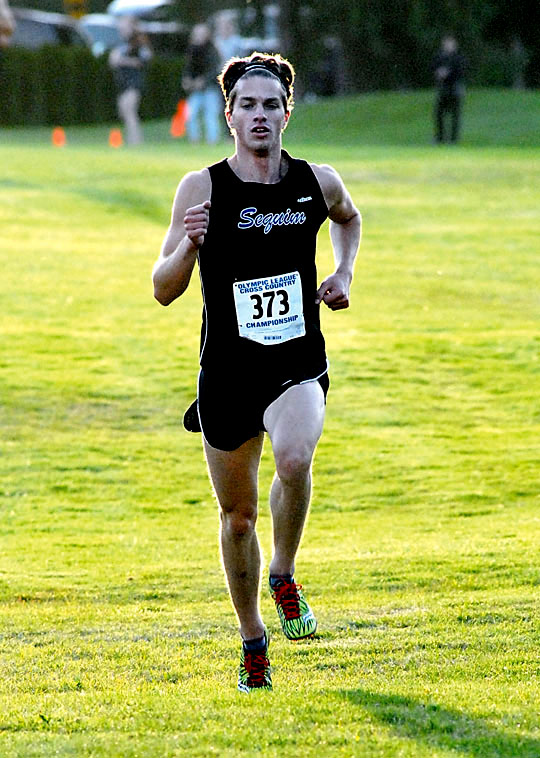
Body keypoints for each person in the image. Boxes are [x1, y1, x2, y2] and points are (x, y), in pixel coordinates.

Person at [152, 52, 361, 692]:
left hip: (296, 360)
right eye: (249, 104)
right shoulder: (202, 187)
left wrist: (342, 272)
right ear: (230, 115)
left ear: (287, 113)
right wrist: (190, 241)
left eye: (272, 104)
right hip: (228, 373)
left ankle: (285, 570)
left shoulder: (315, 182)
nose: (261, 115)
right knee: (237, 516)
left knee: (296, 457)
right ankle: (252, 641)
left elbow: (349, 219)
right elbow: (163, 289)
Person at [109, 16, 153, 146]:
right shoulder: (120, 43)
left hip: (134, 82)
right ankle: (131, 138)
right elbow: (113, 61)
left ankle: (136, 141)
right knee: (123, 111)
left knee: (130, 110)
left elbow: (145, 60)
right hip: (123, 82)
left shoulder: (139, 42)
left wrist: (124, 61)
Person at [182, 23, 222, 145]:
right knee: (190, 114)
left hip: (210, 89)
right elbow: (188, 68)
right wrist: (186, 79)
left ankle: (213, 141)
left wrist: (204, 80)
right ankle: (194, 140)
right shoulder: (191, 50)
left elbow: (215, 69)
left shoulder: (212, 50)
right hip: (195, 90)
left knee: (211, 116)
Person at [432, 34, 466, 144]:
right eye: (447, 44)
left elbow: (461, 71)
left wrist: (448, 73)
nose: (448, 46)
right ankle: (440, 137)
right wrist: (438, 73)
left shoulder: (458, 58)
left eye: (450, 44)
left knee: (455, 115)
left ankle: (453, 139)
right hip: (443, 89)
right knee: (439, 114)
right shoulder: (439, 56)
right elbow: (433, 68)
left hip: (455, 88)